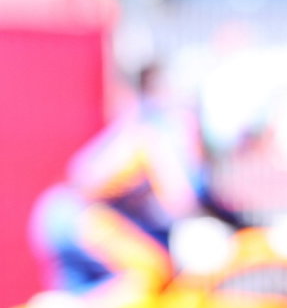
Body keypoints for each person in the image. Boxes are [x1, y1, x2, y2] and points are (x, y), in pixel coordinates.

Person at [29, 64, 264, 293]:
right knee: (154, 271)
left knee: (147, 278)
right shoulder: (165, 131)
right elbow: (179, 199)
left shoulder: (183, 140)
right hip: (76, 215)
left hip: (94, 217)